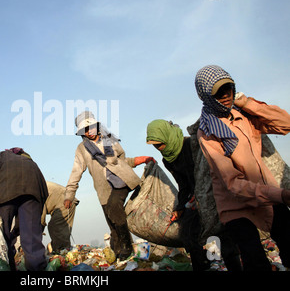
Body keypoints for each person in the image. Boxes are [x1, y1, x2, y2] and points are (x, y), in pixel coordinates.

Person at [194, 65, 290, 271]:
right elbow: (233, 183)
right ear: (206, 96)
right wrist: (280, 195)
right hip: (236, 204)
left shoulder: (243, 115)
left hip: (265, 194)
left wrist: (247, 103)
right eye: (218, 93)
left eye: (228, 89)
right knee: (255, 259)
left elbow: (285, 124)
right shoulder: (208, 132)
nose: (225, 96)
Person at [146, 119, 241, 271]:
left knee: (220, 234)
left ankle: (230, 265)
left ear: (167, 136)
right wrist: (179, 208)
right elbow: (183, 184)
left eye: (159, 144)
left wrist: (202, 194)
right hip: (193, 199)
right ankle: (204, 266)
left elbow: (211, 171)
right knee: (189, 234)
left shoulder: (192, 145)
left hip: (213, 194)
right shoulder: (168, 159)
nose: (158, 148)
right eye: (155, 146)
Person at [64, 111, 155, 260]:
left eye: (92, 127)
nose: (90, 131)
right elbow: (76, 172)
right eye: (85, 130)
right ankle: (120, 256)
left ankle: (126, 245)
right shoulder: (82, 148)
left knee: (114, 206)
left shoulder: (109, 139)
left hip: (122, 180)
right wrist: (69, 195)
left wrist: (140, 160)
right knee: (113, 225)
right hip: (104, 188)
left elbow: (122, 161)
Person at [0, 147, 49, 271]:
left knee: (3, 236)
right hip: (33, 191)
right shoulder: (29, 161)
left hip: (8, 190)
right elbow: (43, 190)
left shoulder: (2, 155)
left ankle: (7, 268)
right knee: (32, 238)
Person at [42, 181, 79, 253]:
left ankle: (62, 255)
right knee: (54, 227)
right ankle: (56, 250)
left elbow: (39, 216)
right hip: (59, 202)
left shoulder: (33, 191)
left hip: (66, 201)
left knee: (57, 227)